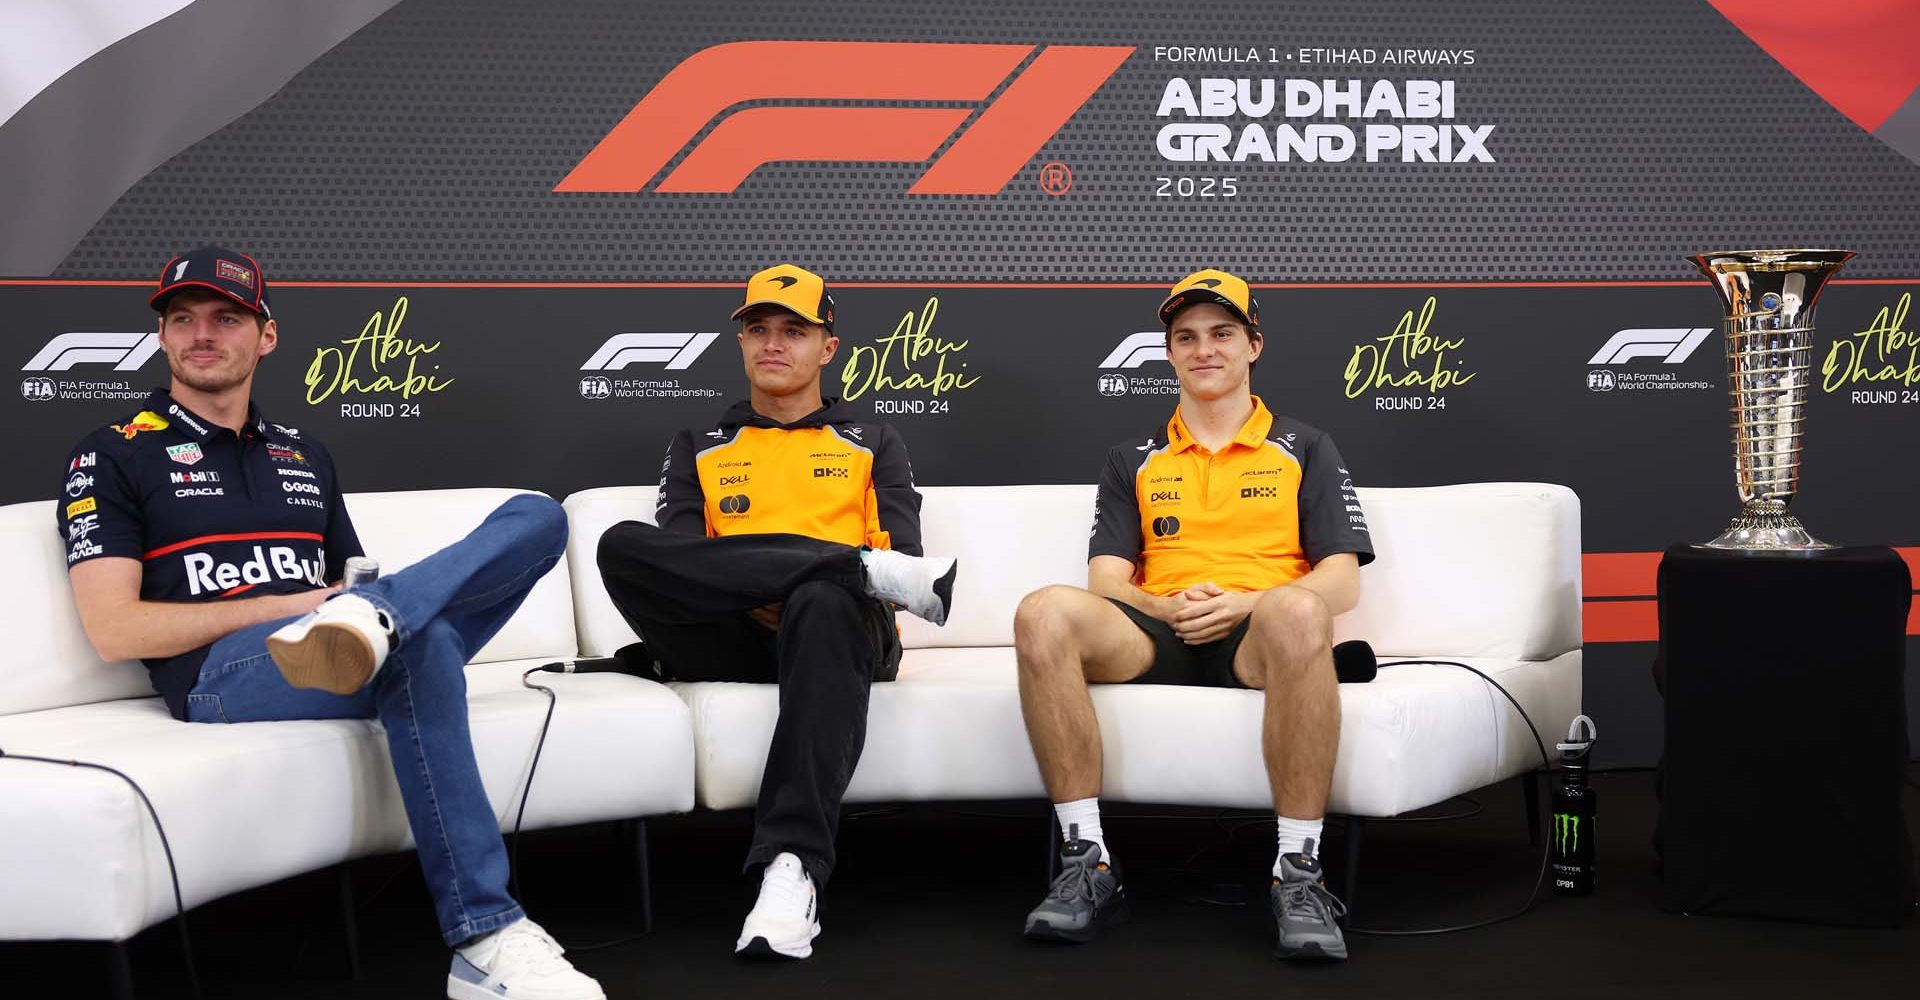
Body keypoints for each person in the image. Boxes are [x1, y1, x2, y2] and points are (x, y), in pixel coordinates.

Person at [56, 247, 604, 1000]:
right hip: (220, 677)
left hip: (344, 638)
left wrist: (361, 605)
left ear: (266, 336)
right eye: (181, 320)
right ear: (163, 337)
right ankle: (485, 936)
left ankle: (386, 622)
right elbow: (115, 631)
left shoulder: (303, 453)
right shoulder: (113, 453)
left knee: (537, 517)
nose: (201, 334)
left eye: (226, 317)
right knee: (425, 641)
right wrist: (298, 606)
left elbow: (346, 584)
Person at [596, 263, 957, 961]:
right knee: (620, 548)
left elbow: (904, 571)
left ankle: (789, 870)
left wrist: (803, 585)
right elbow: (677, 566)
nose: (773, 343)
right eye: (758, 329)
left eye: (795, 330)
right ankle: (843, 562)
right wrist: (797, 574)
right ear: (739, 343)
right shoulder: (698, 446)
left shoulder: (874, 442)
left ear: (828, 347)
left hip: (841, 633)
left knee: (824, 599)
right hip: (732, 634)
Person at [1011, 269, 1374, 960]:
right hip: (1159, 631)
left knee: (1301, 612)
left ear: (1253, 346)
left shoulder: (1306, 447)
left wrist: (1247, 602)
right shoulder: (1135, 458)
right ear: (1170, 354)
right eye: (1186, 338)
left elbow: (1341, 581)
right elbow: (1105, 580)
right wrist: (1162, 605)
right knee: (1041, 614)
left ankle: (1298, 875)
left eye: (1222, 334)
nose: (1204, 349)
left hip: (1260, 633)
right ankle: (1087, 864)